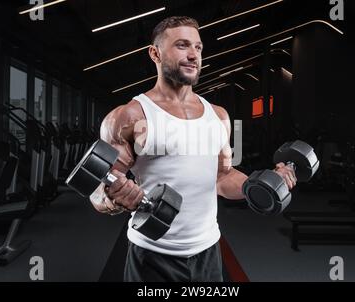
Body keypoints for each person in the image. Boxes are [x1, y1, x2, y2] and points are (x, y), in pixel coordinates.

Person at [89, 16, 297, 282]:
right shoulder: (129, 116)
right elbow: (97, 190)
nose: (193, 55)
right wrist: (114, 198)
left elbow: (223, 177)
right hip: (152, 255)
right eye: (182, 45)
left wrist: (264, 183)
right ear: (155, 53)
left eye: (198, 48)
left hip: (208, 252)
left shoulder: (219, 115)